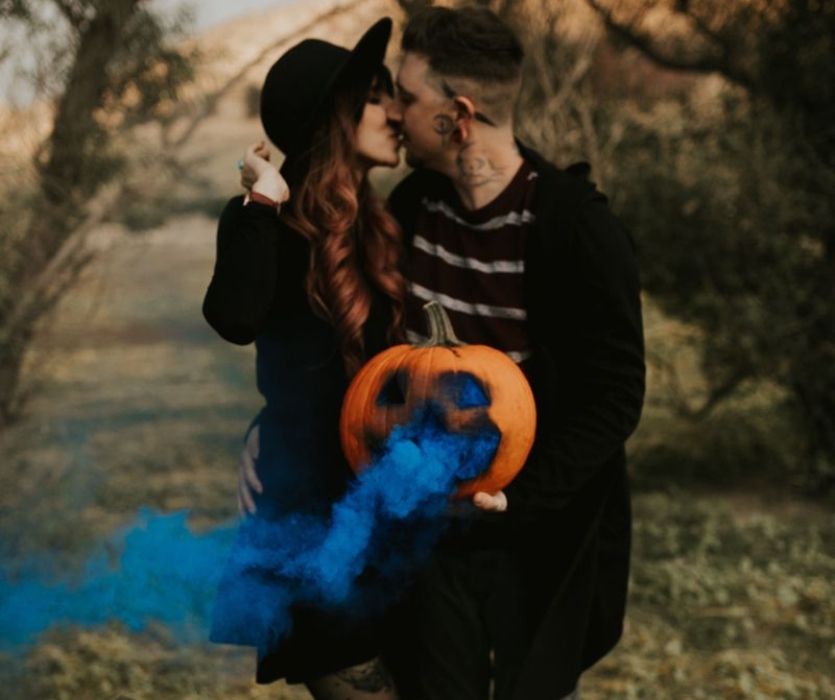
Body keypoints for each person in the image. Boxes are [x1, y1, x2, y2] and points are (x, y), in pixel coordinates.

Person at [239, 6, 645, 700]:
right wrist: (274, 437)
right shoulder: (414, 207)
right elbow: (349, 347)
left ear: (456, 116)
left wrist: (517, 495)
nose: (392, 108)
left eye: (406, 94)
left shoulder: (573, 226)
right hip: (424, 530)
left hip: (533, 526)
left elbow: (613, 394)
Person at [202, 18, 408, 700]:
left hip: (380, 510)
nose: (396, 111)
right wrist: (264, 195)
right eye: (376, 98)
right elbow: (234, 316)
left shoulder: (378, 224)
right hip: (309, 521)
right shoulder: (266, 221)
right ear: (334, 116)